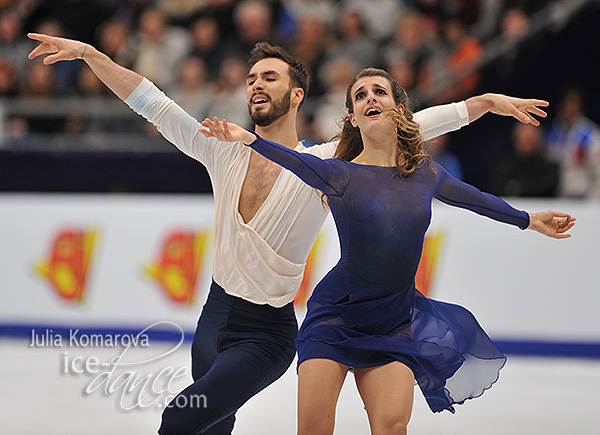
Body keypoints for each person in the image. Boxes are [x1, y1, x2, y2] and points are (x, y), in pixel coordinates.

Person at [27, 32, 551, 435]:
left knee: (180, 417)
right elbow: (152, 102)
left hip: (267, 335)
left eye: (270, 77)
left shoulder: (326, 163)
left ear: (296, 94)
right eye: (252, 77)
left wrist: (479, 105)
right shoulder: (221, 148)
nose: (256, 84)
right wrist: (93, 55)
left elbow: (399, 123)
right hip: (213, 319)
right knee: (211, 426)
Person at [199, 68, 574, 434]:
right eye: (360, 96)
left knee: (392, 426)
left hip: (392, 322)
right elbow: (296, 160)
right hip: (334, 319)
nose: (369, 98)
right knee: (314, 429)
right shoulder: (340, 173)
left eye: (379, 91)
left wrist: (528, 219)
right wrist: (248, 140)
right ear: (354, 119)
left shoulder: (426, 173)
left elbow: (478, 200)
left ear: (399, 110)